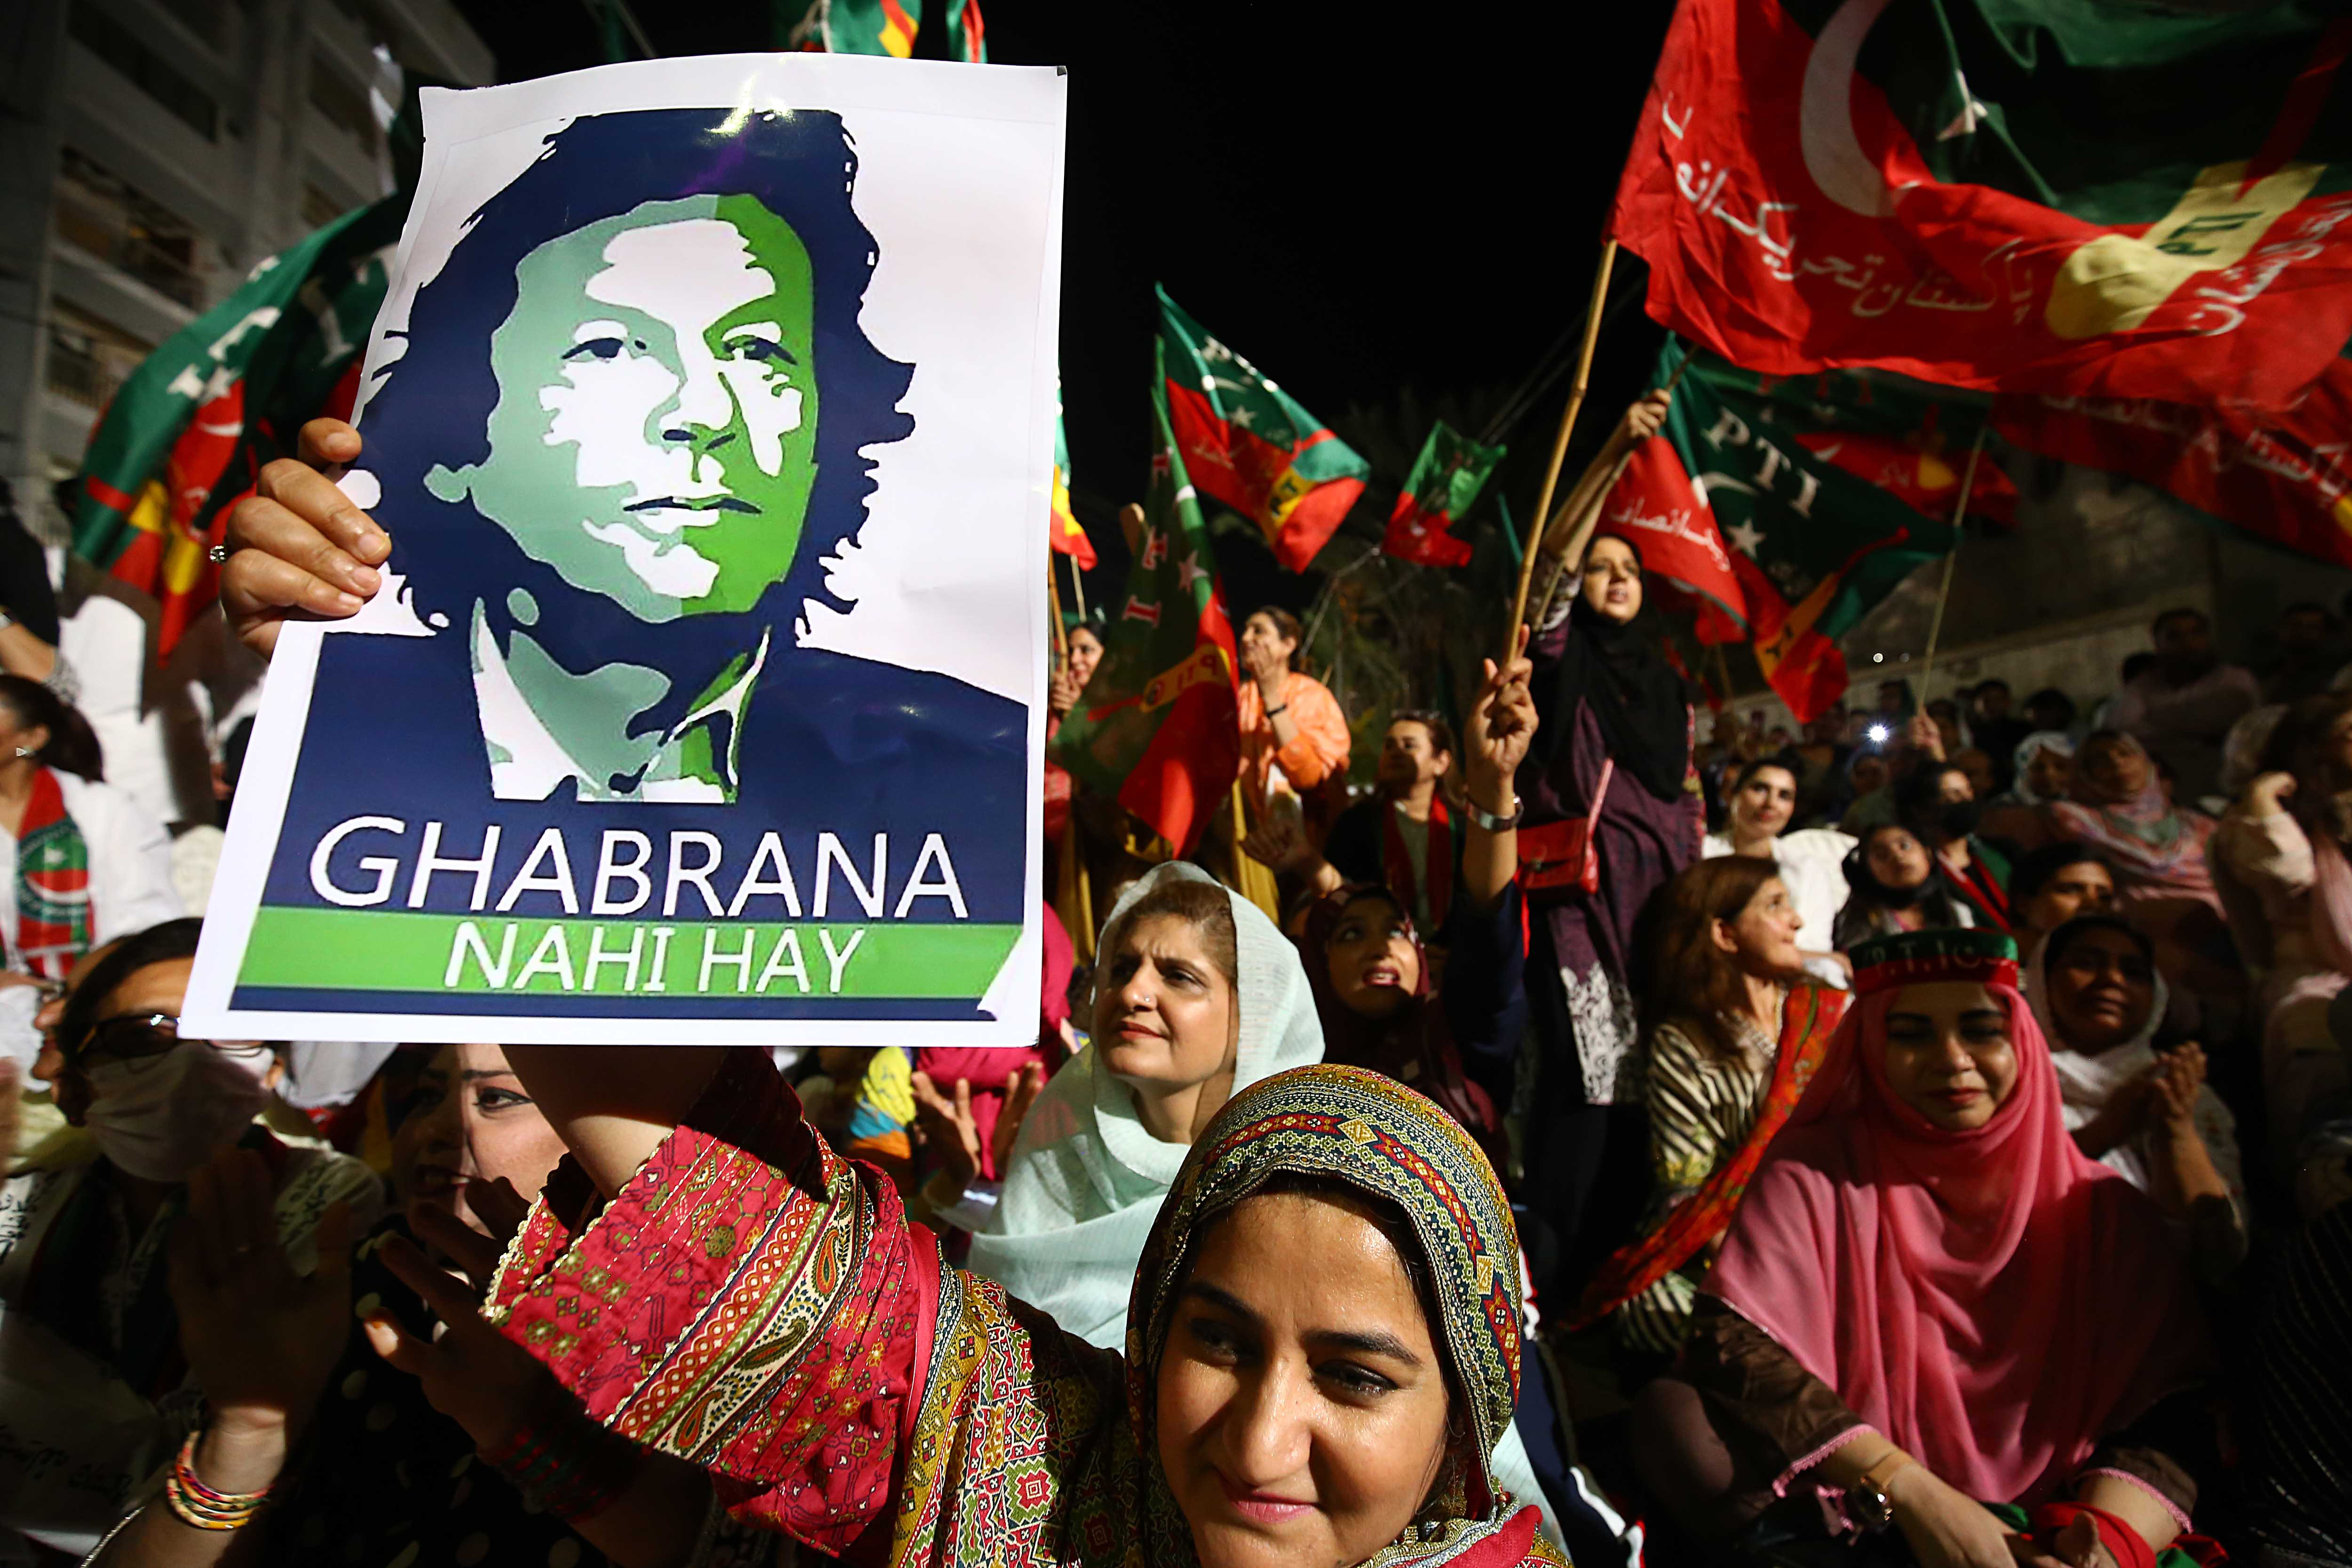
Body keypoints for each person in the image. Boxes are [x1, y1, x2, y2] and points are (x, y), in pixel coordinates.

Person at [372, 1047, 1573, 1568]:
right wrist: (429, 693)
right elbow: (726, 1186)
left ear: (1462, 1425)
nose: (1258, 1441)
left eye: (1356, 1376)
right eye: (1216, 1338)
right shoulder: (1039, 1446)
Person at [1630, 931, 2212, 1565]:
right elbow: (1738, 1345)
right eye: (1911, 1034)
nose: (1952, 1058)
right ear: (1871, 1048)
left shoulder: (2105, 1211)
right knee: (1676, 1422)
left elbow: (2170, 1404)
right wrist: (1915, 1494)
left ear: (2022, 1043)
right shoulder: (1820, 1171)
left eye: (1981, 1031)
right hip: (1869, 1514)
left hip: (2067, 1524)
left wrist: (2104, 1548)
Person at [86, 1041, 785, 1567]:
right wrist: (248, 1430)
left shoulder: (714, 1327)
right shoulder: (349, 1291)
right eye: (424, 1096)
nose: (441, 1129)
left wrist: (555, 1433)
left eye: (499, 1098)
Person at [0, 920, 380, 1558]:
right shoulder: (21, 1203)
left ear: (273, 1067)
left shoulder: (331, 1200)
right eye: (146, 1034)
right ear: (76, 1077)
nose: (189, 1060)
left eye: (227, 1031)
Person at [1515, 391, 1702, 1290]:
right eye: (1602, 566)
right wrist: (1612, 451)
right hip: (1584, 912)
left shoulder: (1669, 684)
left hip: (1664, 917)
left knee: (1656, 1102)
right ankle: (1560, 1281)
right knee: (1590, 1093)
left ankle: (1639, 1279)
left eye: (1629, 565)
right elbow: (1547, 566)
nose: (1614, 575)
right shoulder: (1569, 660)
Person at [1574, 857, 1845, 1353]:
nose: (1797, 921)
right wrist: (1767, 1285)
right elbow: (1688, 1194)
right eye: (1774, 905)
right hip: (1737, 1251)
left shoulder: (1826, 1017)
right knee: (1658, 1310)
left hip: (1839, 1237)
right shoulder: (1687, 1044)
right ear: (1723, 934)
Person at [1298, 647, 1541, 1172]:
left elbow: (1488, 922)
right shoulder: (1294, 1083)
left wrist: (1494, 785)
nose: (1379, 945)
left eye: (1395, 932)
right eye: (1349, 936)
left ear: (1440, 761)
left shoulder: (1458, 1041)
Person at [2027, 915, 2247, 1274]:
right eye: (2085, 963)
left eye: (2134, 972)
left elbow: (2221, 1251)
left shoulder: (2184, 1089)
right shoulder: (2011, 1082)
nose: (2112, 980)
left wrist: (2175, 1130)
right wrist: (2108, 1129)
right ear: (2041, 979)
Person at [2211, 692, 2352, 1214]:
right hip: (2313, 978)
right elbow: (2283, 872)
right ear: (2309, 751)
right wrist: (2265, 796)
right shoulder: (2264, 819)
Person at [0, 676, 179, 1073]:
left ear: (31, 738)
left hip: (91, 997)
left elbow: (145, 925)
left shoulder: (103, 811)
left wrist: (69, 989)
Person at [2050, 729, 2236, 1000]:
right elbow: (2149, 864)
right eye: (2101, 760)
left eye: (2125, 754)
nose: (2116, 763)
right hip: (2146, 928)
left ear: (2147, 764)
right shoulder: (2079, 819)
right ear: (2086, 774)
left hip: (2221, 927)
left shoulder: (2199, 825)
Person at [1701, 757, 1852, 983]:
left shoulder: (1806, 868)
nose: (1770, 804)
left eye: (1784, 796)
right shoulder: (1704, 854)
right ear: (1731, 795)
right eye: (1760, 789)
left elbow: (1814, 945)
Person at [1324, 710, 1459, 936]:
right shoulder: (1356, 824)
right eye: (1389, 746)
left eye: (1409, 746)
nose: (1396, 753)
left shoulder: (1462, 826)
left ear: (1441, 762)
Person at [2108, 607, 2263, 804]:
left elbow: (2223, 723)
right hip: (2162, 794)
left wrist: (2158, 723)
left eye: (2196, 633)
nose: (2187, 643)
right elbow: (2124, 731)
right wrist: (2196, 732)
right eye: (2174, 636)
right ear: (2158, 643)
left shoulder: (2235, 681)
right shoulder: (2140, 687)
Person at [1235, 606, 1349, 810]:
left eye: (1258, 631)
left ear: (1288, 645)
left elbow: (1309, 778)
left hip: (1300, 834)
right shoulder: (1237, 698)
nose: (1245, 638)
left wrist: (1271, 698)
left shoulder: (1313, 697)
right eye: (1245, 631)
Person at [1893, 762, 2011, 933]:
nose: (1966, 801)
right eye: (1953, 795)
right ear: (1924, 809)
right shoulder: (1920, 872)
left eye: (1968, 791)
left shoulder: (2001, 852)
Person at [1832, 824, 1974, 947]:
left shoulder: (1958, 914)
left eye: (1905, 846)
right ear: (1868, 871)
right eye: (1882, 855)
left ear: (1928, 853)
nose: (1897, 856)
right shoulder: (1861, 920)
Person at [2007, 843, 2117, 967]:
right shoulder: (1987, 961)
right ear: (2024, 904)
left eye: (2104, 897)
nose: (2092, 905)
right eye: (2071, 890)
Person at [1977, 728, 2074, 853]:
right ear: (2024, 771)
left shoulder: (2085, 808)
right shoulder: (2003, 808)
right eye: (2039, 767)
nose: (2049, 775)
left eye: (2061, 767)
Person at [2262, 599, 2345, 704]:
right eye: (2296, 626)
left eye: (2312, 627)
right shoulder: (2269, 671)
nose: (2302, 633)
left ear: (2327, 633)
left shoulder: (2338, 674)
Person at [1965, 678, 2032, 793]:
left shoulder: (2023, 730)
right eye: (1987, 700)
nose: (1993, 705)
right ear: (1975, 703)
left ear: (2008, 702)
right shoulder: (1969, 732)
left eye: (1999, 699)